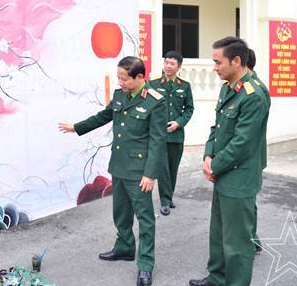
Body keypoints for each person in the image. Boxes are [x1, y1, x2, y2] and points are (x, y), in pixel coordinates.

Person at [59, 56, 167, 286]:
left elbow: (158, 141)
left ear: (140, 77)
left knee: (145, 219)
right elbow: (103, 116)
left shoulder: (155, 101)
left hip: (139, 171)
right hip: (119, 165)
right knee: (120, 212)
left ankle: (145, 265)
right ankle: (125, 247)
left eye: (124, 79)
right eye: (118, 77)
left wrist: (150, 174)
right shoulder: (120, 96)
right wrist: (77, 127)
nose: (120, 82)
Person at [189, 37, 270, 286]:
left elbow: (242, 143)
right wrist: (208, 155)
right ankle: (217, 277)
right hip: (223, 171)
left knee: (237, 242)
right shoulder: (228, 87)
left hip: (239, 176)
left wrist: (214, 166)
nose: (214, 68)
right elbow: (217, 127)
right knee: (219, 233)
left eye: (218, 62)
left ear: (236, 61)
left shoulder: (254, 95)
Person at [149, 50, 194, 216]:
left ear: (178, 67)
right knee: (163, 170)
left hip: (176, 135)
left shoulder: (185, 86)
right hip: (159, 136)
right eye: (166, 62)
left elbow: (189, 109)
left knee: (173, 168)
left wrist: (178, 123)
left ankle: (169, 195)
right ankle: (165, 201)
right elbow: (148, 107)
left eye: (172, 63)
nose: (168, 66)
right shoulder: (153, 85)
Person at [246, 48, 270, 253]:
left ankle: (251, 238)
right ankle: (252, 238)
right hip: (249, 156)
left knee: (247, 202)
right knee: (247, 201)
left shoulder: (256, 90)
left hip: (250, 156)